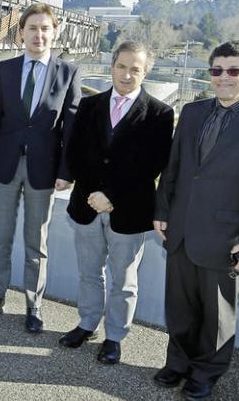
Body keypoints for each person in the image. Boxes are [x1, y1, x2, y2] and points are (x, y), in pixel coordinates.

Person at [152, 40, 239, 399]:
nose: (223, 77)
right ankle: (178, 363)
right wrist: (162, 211)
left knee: (218, 315)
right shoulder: (192, 112)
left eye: (234, 70)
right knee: (180, 306)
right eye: (217, 70)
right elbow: (175, 169)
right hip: (182, 230)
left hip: (228, 238)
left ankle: (206, 372)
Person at [61, 41, 174, 364]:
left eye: (135, 69)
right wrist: (93, 193)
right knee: (89, 273)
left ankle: (115, 336)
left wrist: (111, 196)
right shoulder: (89, 105)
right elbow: (75, 153)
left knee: (124, 280)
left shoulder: (160, 113)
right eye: (122, 66)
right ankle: (87, 324)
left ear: (145, 72)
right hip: (86, 206)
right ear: (112, 66)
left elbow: (153, 165)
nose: (127, 74)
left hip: (130, 211)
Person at [0, 2, 81, 333]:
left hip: (44, 170)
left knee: (37, 241)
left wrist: (67, 171)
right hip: (5, 165)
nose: (39, 34)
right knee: (1, 237)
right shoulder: (6, 70)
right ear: (21, 33)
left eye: (45, 28)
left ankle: (34, 304)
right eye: (32, 28)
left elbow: (71, 127)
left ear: (54, 33)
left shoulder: (68, 72)